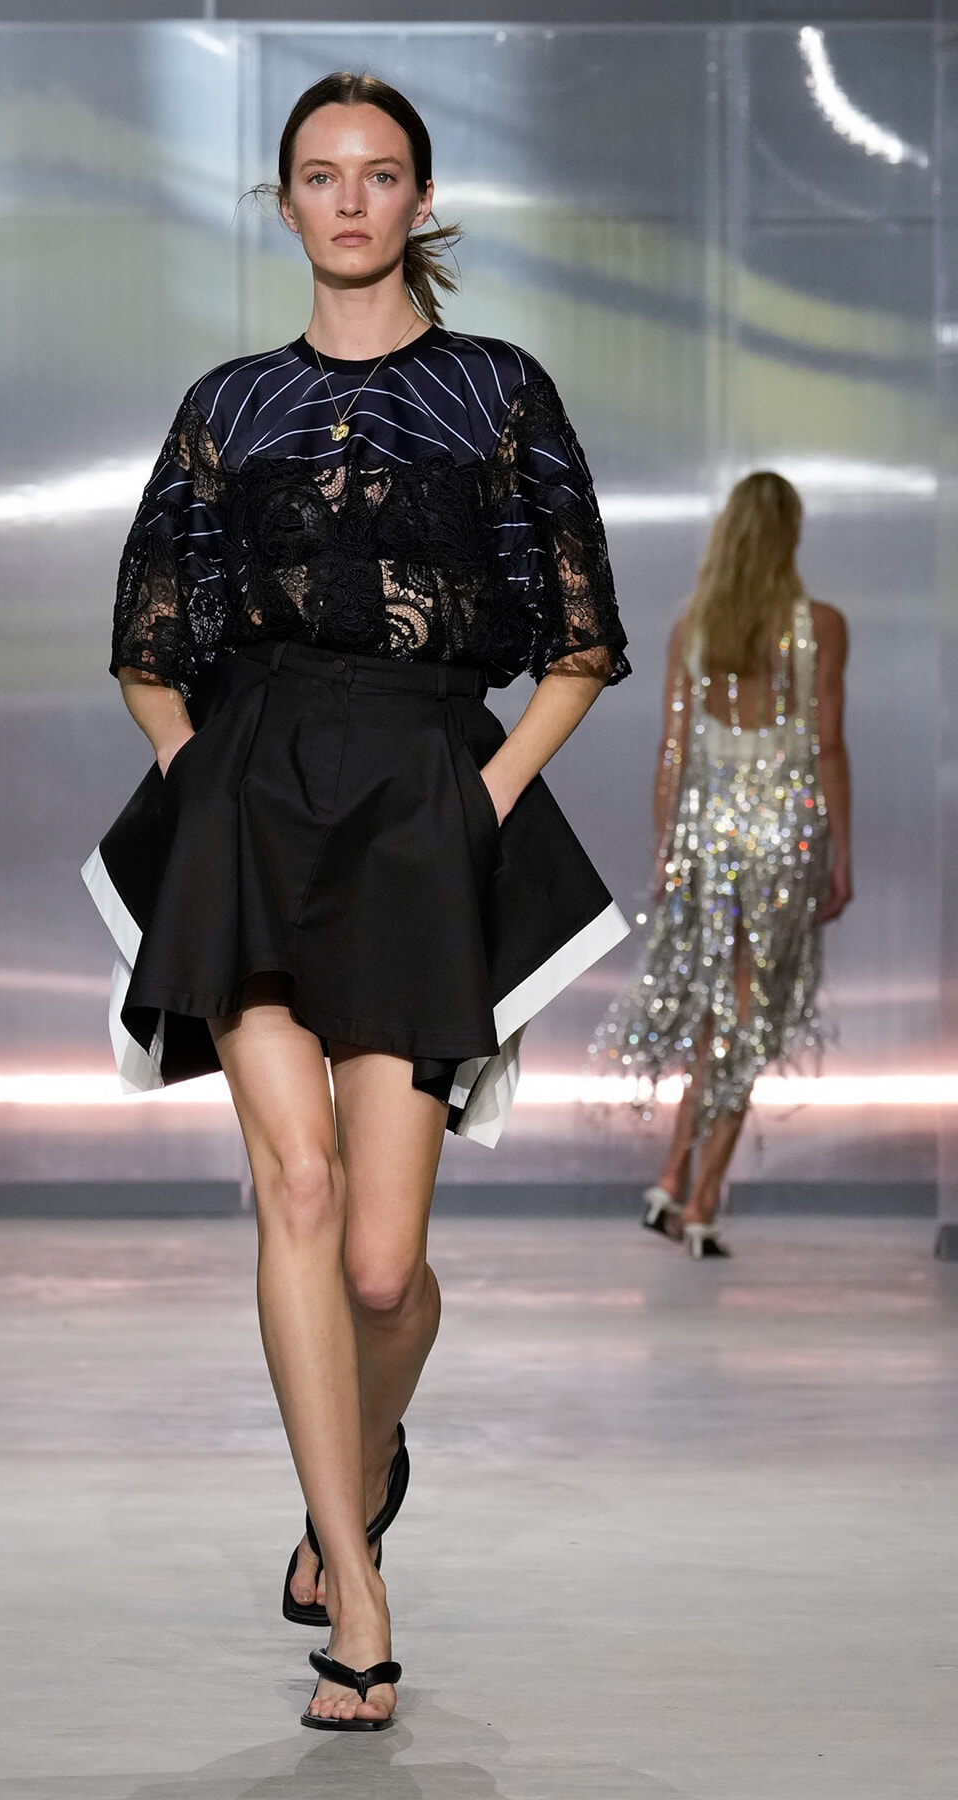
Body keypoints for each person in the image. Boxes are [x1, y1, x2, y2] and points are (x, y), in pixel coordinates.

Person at [82, 71, 629, 1731]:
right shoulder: (229, 406)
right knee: (297, 1193)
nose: (347, 201)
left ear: (419, 203)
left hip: (417, 807)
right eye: (318, 175)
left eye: (378, 176)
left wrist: (479, 799)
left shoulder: (497, 393)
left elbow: (584, 637)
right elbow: (146, 643)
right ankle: (358, 1594)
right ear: (284, 201)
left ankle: (366, 1455)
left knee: (385, 1272)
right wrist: (198, 787)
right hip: (251, 799)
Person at [589, 471, 851, 1258]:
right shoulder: (822, 625)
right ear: (791, 534)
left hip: (708, 835)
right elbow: (825, 743)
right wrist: (840, 853)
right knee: (753, 1019)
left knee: (715, 1015)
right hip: (782, 834)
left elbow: (675, 752)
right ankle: (700, 1203)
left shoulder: (692, 627)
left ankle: (671, 1181)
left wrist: (669, 849)